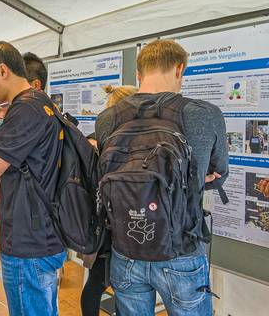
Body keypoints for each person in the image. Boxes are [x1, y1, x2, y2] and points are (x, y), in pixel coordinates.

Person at [95, 39, 229, 316]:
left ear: (139, 73)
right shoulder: (204, 114)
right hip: (181, 249)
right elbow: (218, 175)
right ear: (179, 69)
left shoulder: (108, 118)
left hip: (125, 246)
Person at [0, 41, 66, 316]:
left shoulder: (26, 109)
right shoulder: (38, 105)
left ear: (2, 70)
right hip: (39, 236)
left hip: (28, 243)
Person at [80, 84, 137, 316]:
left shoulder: (96, 139)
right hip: (110, 226)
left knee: (99, 281)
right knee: (100, 282)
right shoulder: (103, 142)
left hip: (104, 224)